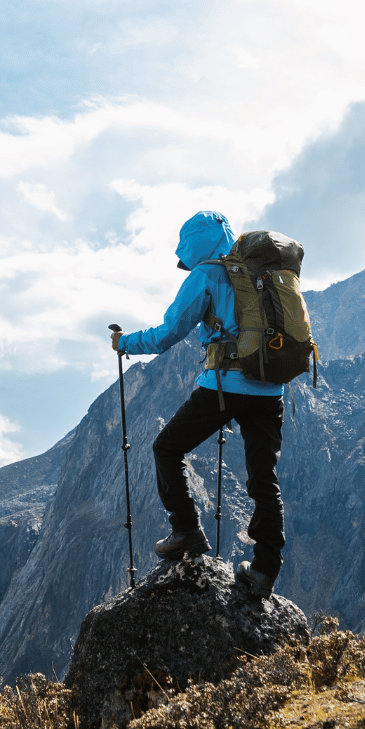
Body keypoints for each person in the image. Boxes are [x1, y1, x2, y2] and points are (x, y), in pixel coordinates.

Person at [112, 210, 286, 597]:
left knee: (167, 447)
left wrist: (125, 343)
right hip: (271, 388)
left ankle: (187, 531)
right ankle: (264, 572)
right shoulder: (265, 273)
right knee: (263, 479)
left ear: (192, 246)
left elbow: (167, 333)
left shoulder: (205, 275)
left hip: (225, 385)